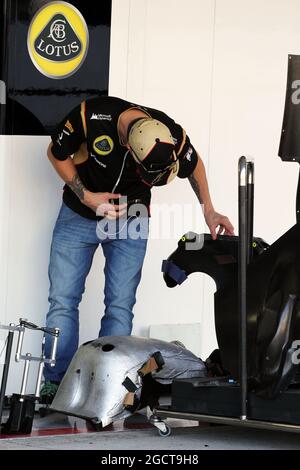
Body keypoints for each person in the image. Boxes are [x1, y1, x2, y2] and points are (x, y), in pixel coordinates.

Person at [40, 96, 234, 403]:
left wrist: (209, 210)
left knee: (119, 305)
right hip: (79, 215)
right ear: (129, 147)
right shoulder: (90, 115)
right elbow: (56, 152)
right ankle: (54, 384)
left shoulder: (170, 132)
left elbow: (194, 165)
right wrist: (87, 196)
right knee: (62, 301)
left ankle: (107, 387)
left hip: (131, 220)